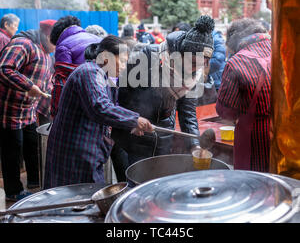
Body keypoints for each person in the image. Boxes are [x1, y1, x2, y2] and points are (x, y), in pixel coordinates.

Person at [111, 15, 215, 178]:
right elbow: (122, 93)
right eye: (193, 62)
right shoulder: (148, 56)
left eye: (202, 63)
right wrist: (132, 120)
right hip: (133, 137)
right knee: (134, 186)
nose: (195, 69)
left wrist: (195, 145)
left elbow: (188, 113)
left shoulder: (194, 75)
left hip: (163, 136)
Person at [43, 36, 153, 189]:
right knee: (76, 197)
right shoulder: (89, 72)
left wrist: (130, 125)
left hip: (86, 149)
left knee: (84, 195)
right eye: (121, 61)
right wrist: (135, 119)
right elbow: (100, 107)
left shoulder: (103, 76)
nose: (123, 66)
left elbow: (112, 106)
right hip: (75, 149)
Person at [0, 20, 56, 201]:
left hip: (29, 111)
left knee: (33, 145)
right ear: (47, 36)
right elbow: (4, 68)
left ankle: (34, 182)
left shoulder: (48, 54)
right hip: (9, 110)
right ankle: (13, 191)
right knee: (12, 151)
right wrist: (28, 86)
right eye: (56, 41)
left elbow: (46, 83)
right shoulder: (24, 44)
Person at [216, 18, 271, 172]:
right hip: (286, 136)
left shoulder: (237, 62)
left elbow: (226, 111)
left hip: (255, 140)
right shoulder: (281, 50)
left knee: (255, 186)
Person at [50, 15, 102, 118]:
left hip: (80, 105)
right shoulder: (99, 40)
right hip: (103, 103)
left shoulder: (63, 46)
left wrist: (55, 112)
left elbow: (61, 84)